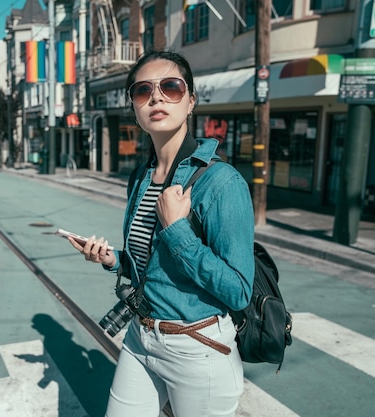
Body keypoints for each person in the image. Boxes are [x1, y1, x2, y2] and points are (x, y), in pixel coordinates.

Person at [64, 50, 255, 417]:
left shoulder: (221, 182)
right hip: (141, 337)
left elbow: (238, 291)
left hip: (197, 347)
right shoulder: (140, 177)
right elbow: (149, 263)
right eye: (142, 91)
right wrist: (111, 259)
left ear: (191, 101)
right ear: (134, 108)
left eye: (170, 87)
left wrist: (178, 229)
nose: (156, 97)